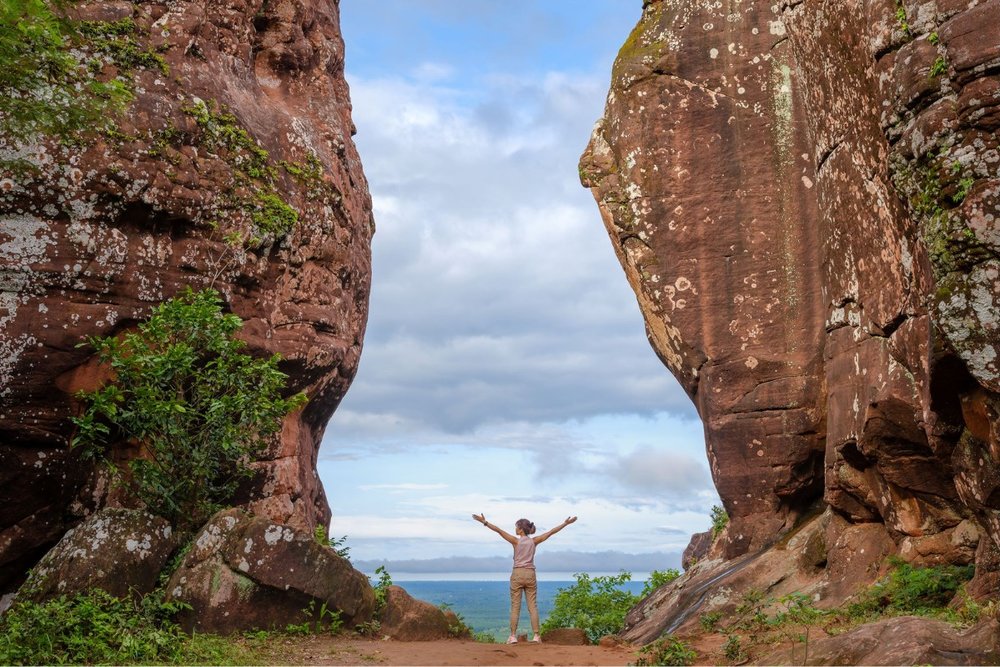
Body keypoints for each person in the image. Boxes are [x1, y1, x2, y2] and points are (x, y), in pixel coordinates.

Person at [472, 513, 578, 644]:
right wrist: (565, 524)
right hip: (530, 574)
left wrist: (485, 522)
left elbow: (498, 530)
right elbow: (551, 532)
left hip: (517, 573)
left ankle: (512, 636)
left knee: (515, 606)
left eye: (516, 527)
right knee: (532, 606)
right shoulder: (534, 541)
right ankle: (536, 636)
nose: (515, 529)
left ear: (521, 529)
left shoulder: (515, 541)